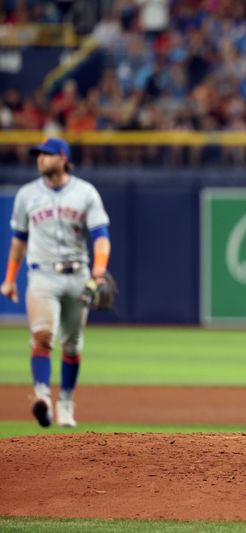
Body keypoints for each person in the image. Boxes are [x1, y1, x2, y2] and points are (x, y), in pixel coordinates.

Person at [1, 137, 111, 428]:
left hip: (78, 276)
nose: (40, 159)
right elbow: (18, 241)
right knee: (42, 337)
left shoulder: (85, 192)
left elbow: (101, 236)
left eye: (46, 155)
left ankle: (65, 402)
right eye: (38, 154)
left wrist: (99, 272)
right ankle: (42, 398)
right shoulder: (27, 195)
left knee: (72, 345)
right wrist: (10, 279)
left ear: (63, 158)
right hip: (42, 275)